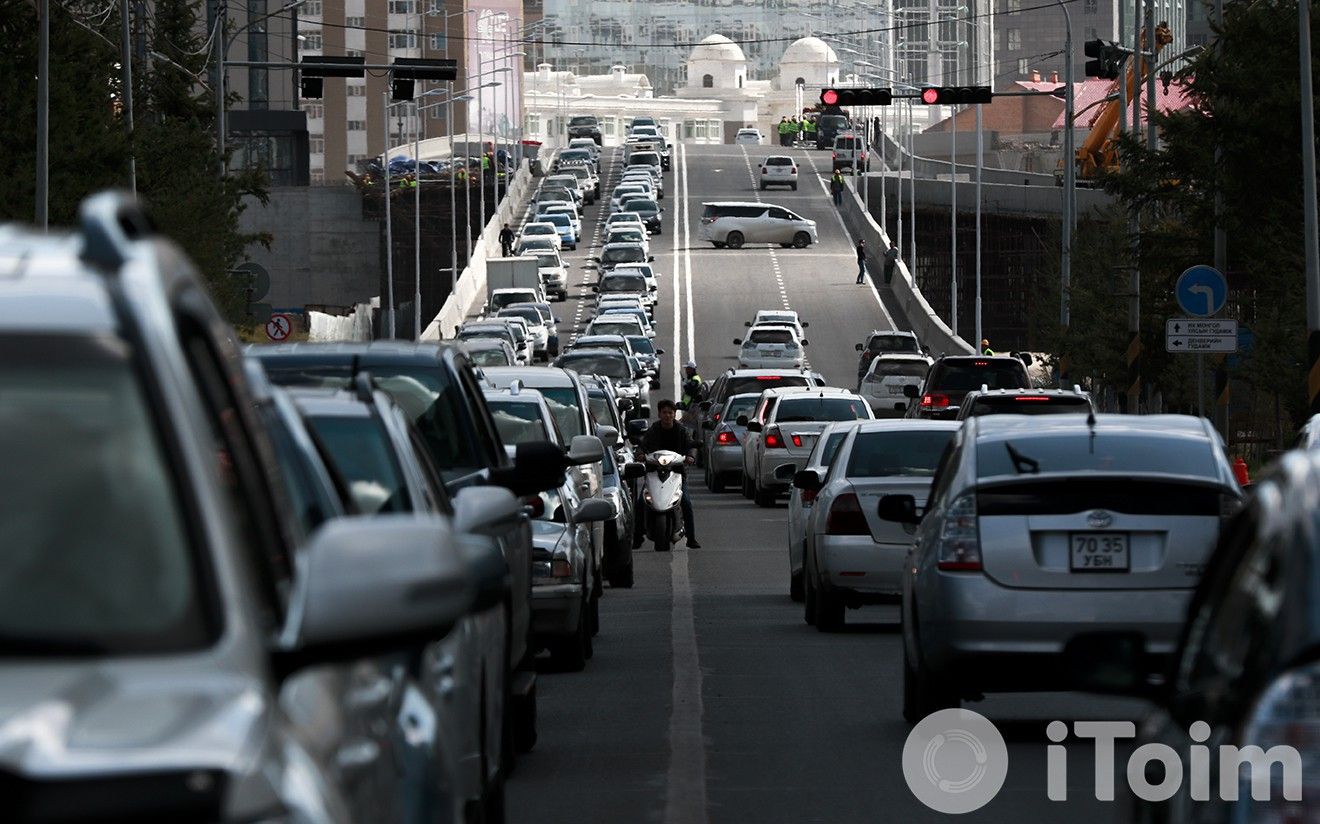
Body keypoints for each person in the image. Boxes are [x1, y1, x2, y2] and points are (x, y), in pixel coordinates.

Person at [640, 400, 700, 548]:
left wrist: (690, 456)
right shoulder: (653, 430)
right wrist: (640, 454)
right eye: (664, 412)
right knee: (641, 502)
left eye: (670, 413)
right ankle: (637, 536)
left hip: (676, 473)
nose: (667, 415)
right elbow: (642, 445)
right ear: (659, 414)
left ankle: (691, 538)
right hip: (654, 472)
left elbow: (690, 445)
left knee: (685, 502)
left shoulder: (682, 431)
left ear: (674, 414)